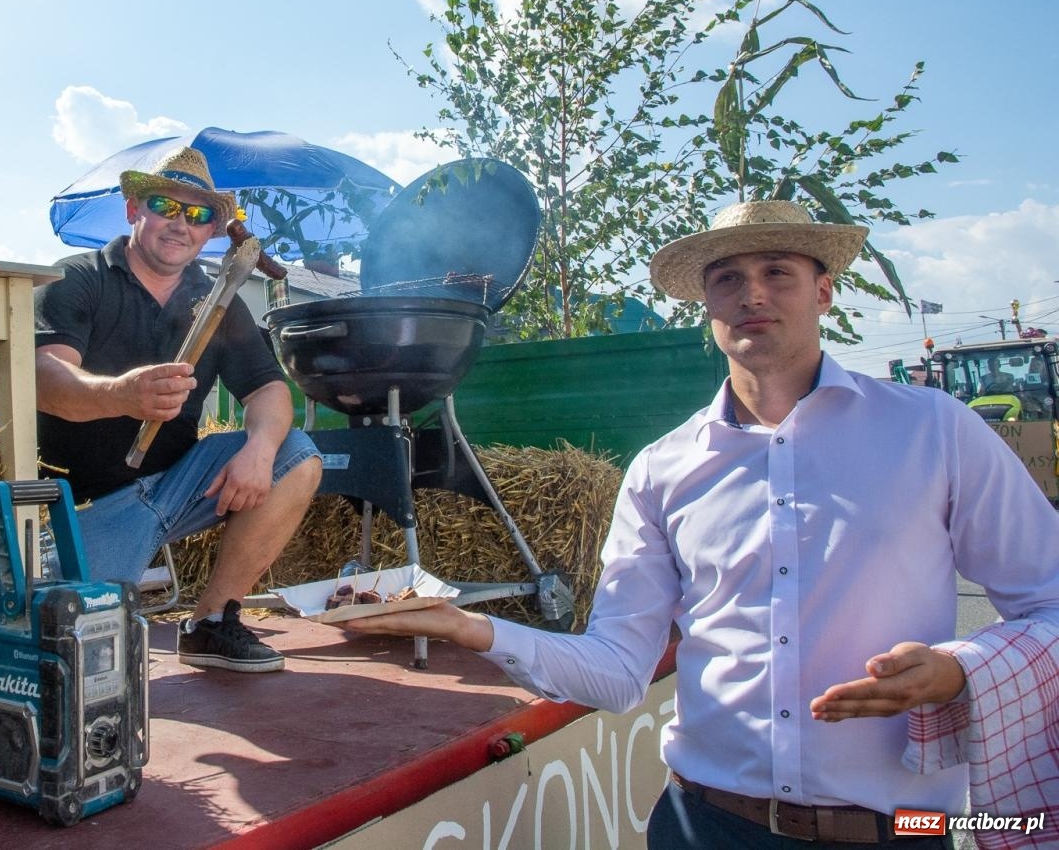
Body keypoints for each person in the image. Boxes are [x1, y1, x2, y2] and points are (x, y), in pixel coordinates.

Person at [349, 200, 1059, 847]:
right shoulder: (664, 469)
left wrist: (960, 672)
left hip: (897, 830)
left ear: (823, 292)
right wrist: (468, 626)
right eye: (727, 278)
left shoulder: (933, 430)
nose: (752, 293)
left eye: (777, 271)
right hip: (702, 826)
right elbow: (621, 670)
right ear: (706, 307)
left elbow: (1049, 604)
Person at [34, 147, 321, 674]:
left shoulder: (217, 303)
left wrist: (259, 449)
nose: (180, 224)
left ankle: (211, 623)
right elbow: (44, 378)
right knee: (77, 665)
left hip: (175, 490)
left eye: (198, 215)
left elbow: (269, 392)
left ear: (214, 231)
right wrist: (117, 395)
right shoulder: (77, 277)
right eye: (166, 205)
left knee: (296, 453)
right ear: (133, 209)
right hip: (84, 510)